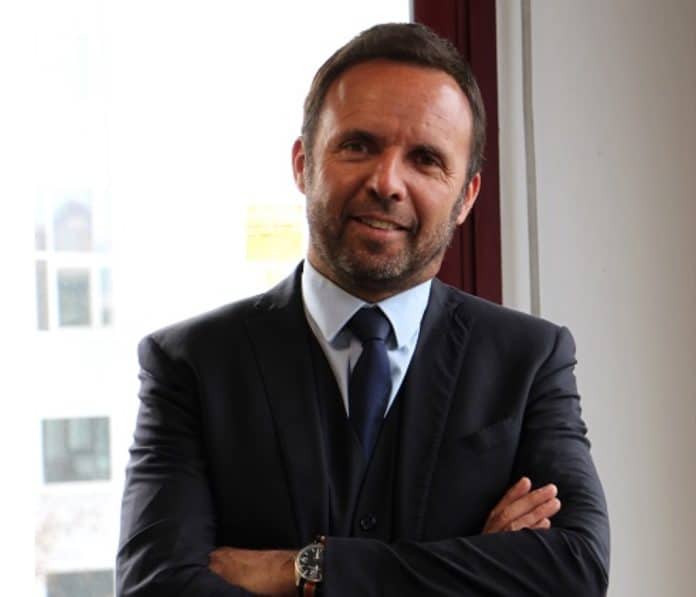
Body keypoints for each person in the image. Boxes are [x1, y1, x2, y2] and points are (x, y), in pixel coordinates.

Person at [116, 22, 609, 596]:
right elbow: (157, 589)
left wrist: (304, 570)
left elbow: (575, 570)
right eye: (359, 146)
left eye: (425, 158)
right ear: (304, 164)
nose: (387, 182)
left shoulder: (530, 359)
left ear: (466, 197)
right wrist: (480, 566)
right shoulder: (190, 365)